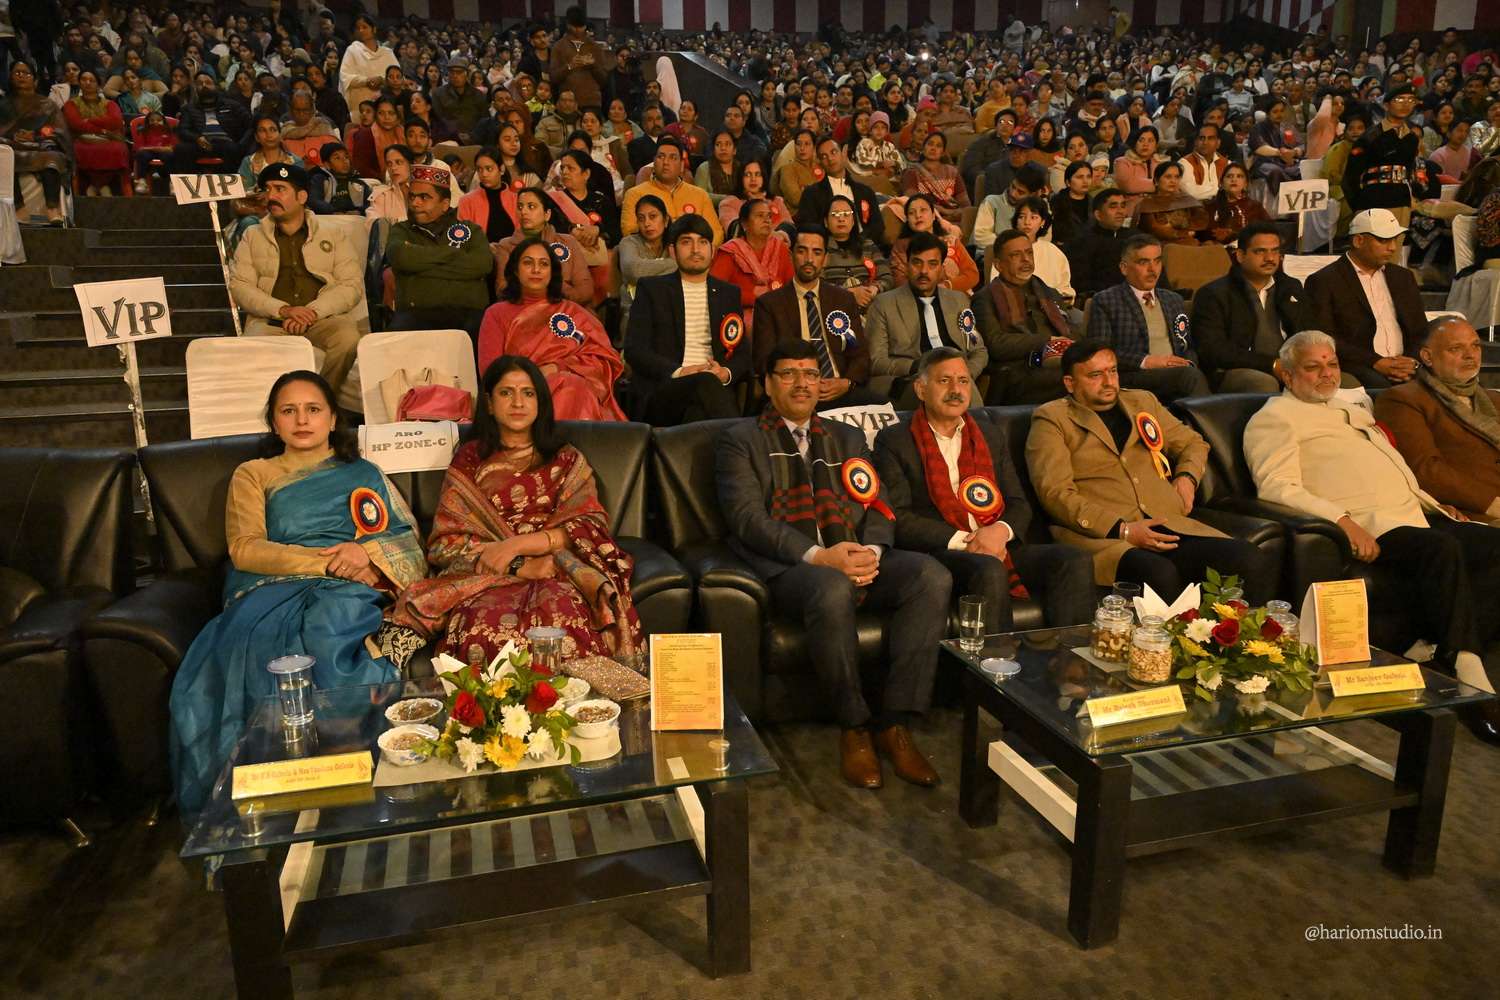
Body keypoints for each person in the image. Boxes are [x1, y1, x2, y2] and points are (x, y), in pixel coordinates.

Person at [169, 370, 427, 814]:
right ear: (274, 421)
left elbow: (406, 541)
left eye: (313, 409)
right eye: (288, 410)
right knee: (255, 643)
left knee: (330, 628)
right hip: (274, 585)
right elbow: (245, 548)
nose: (302, 420)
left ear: (333, 419)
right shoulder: (254, 474)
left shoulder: (363, 473)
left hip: (346, 587)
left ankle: (355, 785)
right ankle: (269, 797)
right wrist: (323, 561)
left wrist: (365, 554)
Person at [715, 340, 951, 789]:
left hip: (854, 552)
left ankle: (895, 722)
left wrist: (872, 552)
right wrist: (821, 557)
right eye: (788, 374)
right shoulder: (739, 440)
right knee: (831, 586)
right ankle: (854, 726)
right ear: (768, 384)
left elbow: (877, 502)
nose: (802, 383)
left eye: (810, 373)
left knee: (930, 576)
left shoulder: (845, 436)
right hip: (791, 567)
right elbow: (747, 519)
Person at [1244, 330, 1500, 743]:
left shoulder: (1349, 410)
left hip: (1415, 515)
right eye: (1313, 367)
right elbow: (1277, 487)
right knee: (1442, 548)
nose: (1326, 374)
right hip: (1371, 524)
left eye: (1332, 364)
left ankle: (1439, 648)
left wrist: (1433, 504)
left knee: (1492, 546)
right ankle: (1471, 679)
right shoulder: (1275, 418)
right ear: (1287, 375)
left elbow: (1390, 470)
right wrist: (1342, 521)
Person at [385, 355, 643, 674]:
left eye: (528, 393)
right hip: (486, 577)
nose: (518, 402)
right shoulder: (470, 461)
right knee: (477, 627)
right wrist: (518, 565)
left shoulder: (565, 459)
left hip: (556, 570)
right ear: (490, 404)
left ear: (540, 402)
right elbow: (446, 543)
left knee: (564, 619)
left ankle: (574, 704)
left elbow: (586, 527)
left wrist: (515, 546)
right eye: (506, 392)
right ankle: (490, 708)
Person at [1026, 339, 1274, 599]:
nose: (1109, 382)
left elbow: (1193, 443)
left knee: (1249, 558)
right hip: (1106, 537)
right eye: (1095, 375)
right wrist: (1123, 529)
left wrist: (1187, 478)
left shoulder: (1142, 402)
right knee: (1158, 573)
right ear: (1070, 383)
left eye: (1113, 371)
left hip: (1168, 523)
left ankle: (1242, 628)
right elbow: (1055, 493)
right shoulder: (1053, 419)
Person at [874, 348, 1094, 630]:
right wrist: (969, 541)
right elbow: (900, 517)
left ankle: (1071, 655)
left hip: (998, 544)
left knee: (1073, 559)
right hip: (942, 551)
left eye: (963, 381)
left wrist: (999, 533)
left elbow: (1018, 502)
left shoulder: (989, 434)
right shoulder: (895, 440)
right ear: (921, 389)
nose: (956, 390)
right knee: (989, 569)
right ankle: (997, 656)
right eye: (944, 381)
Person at [230, 163, 366, 398]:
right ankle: (274, 408)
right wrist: (284, 310)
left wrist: (312, 312)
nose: (271, 196)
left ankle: (323, 399)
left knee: (348, 339)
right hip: (271, 322)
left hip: (321, 318)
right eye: (268, 189)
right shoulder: (252, 236)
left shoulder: (333, 234)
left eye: (280, 189)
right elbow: (240, 287)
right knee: (252, 346)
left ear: (302, 197)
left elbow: (351, 285)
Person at [477, 237, 625, 421]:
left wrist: (557, 367)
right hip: (521, 396)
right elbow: (491, 372)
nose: (536, 270)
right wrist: (536, 377)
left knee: (572, 385)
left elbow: (602, 361)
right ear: (515, 270)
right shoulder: (496, 314)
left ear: (552, 272)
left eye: (544, 264)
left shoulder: (574, 312)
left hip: (578, 393)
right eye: (528, 263)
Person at [1375, 317, 1500, 525]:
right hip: (1474, 511)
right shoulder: (1403, 399)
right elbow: (1427, 470)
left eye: (1475, 346)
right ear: (1427, 357)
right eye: (1456, 348)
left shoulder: (1494, 398)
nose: (1470, 355)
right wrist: (1490, 503)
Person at [624, 213, 747, 425]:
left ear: (713, 250)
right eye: (686, 242)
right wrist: (679, 371)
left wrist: (724, 372)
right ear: (673, 250)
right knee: (704, 384)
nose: (696, 249)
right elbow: (635, 350)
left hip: (713, 391)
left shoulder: (728, 294)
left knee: (698, 412)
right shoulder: (652, 289)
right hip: (665, 388)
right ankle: (739, 437)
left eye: (703, 242)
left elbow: (742, 352)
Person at [751, 223, 879, 408]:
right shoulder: (770, 304)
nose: (809, 259)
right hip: (796, 393)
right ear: (791, 255)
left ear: (825, 259)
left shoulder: (842, 300)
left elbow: (859, 354)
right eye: (802, 251)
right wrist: (802, 383)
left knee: (885, 407)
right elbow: (764, 361)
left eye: (817, 252)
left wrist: (847, 383)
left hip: (839, 390)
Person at [1189, 221, 1317, 393]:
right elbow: (1213, 350)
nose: (1270, 258)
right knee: (1264, 383)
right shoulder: (1214, 294)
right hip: (1236, 370)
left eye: (1275, 251)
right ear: (1240, 256)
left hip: (1290, 365)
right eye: (1260, 251)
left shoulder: (1290, 287)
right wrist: (1272, 364)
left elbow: (1308, 331)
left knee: (1342, 379)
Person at [1305, 208, 1425, 388]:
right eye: (1383, 240)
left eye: (1394, 239)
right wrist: (1375, 361)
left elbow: (1420, 329)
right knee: (1383, 387)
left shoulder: (1403, 277)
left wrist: (1411, 362)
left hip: (1407, 364)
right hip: (1360, 366)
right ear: (1358, 241)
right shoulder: (1325, 280)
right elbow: (1324, 337)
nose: (1392, 248)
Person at [865, 232, 988, 406]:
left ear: (941, 268)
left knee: (958, 384)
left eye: (932, 264)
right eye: (917, 263)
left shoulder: (958, 301)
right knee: (942, 386)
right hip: (908, 379)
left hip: (955, 374)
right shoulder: (883, 304)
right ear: (907, 265)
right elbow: (876, 361)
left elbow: (978, 350)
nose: (924, 271)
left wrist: (964, 374)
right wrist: (918, 367)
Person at [1085, 234, 1209, 400]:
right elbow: (1100, 353)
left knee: (1193, 374)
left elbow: (1188, 346)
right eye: (1143, 262)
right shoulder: (1106, 301)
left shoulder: (1173, 300)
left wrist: (1188, 363)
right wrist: (1147, 361)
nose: (1153, 269)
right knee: (1189, 377)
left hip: (1178, 373)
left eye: (1157, 261)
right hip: (1134, 375)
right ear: (1124, 268)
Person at [385, 163, 494, 340]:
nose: (415, 203)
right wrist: (452, 253)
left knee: (484, 333)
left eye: (424, 197)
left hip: (466, 315)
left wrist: (419, 267)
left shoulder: (470, 230)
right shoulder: (401, 230)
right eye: (412, 196)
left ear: (444, 204)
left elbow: (482, 265)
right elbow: (401, 257)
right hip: (414, 315)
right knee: (393, 339)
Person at [974, 229, 1073, 405]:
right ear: (998, 265)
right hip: (1017, 371)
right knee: (1075, 380)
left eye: (1029, 253)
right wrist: (1047, 341)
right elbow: (996, 344)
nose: (1026, 259)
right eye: (1016, 255)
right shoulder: (986, 298)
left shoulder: (1048, 292)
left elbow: (1069, 330)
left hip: (1058, 362)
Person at [491, 186, 595, 306]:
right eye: (520, 207)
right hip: (523, 309)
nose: (523, 212)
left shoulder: (568, 242)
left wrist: (557, 290)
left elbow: (585, 290)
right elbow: (502, 289)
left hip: (566, 309)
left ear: (547, 214)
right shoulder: (506, 246)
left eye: (531, 206)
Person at [709, 198, 792, 332]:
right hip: (738, 316)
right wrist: (753, 297)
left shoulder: (780, 248)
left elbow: (791, 286)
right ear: (744, 223)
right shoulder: (730, 252)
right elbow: (715, 290)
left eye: (769, 216)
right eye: (760, 216)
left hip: (777, 310)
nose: (767, 220)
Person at [619, 137, 722, 243]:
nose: (666, 162)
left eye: (673, 157)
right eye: (661, 157)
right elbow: (629, 231)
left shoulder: (700, 195)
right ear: (654, 162)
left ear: (682, 165)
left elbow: (716, 232)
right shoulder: (635, 194)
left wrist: (706, 248)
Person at [1346, 84, 1422, 224]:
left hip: (1402, 202)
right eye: (1399, 99)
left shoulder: (1412, 139)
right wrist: (1359, 206)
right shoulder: (1370, 137)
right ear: (1386, 105)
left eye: (1411, 100)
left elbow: (1411, 171)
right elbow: (1350, 178)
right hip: (1372, 202)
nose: (1405, 104)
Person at [796, 134, 885, 248]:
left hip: (864, 247)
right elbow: (807, 227)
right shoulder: (811, 194)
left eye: (833, 152)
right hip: (829, 249)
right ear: (820, 163)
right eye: (824, 156)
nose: (830, 159)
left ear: (843, 153)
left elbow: (878, 226)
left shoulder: (865, 192)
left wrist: (860, 241)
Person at [890, 192, 980, 292]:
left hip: (956, 295)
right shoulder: (901, 246)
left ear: (933, 216)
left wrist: (948, 286)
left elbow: (972, 274)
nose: (918, 215)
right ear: (908, 220)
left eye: (923, 210)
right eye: (911, 213)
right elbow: (899, 281)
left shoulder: (951, 241)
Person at [171, 71, 250, 176]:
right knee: (181, 149)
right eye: (200, 83)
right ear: (195, 88)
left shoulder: (232, 105)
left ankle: (226, 181)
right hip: (200, 144)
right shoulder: (189, 109)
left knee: (234, 149)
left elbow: (250, 124)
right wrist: (197, 138)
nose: (204, 85)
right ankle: (192, 181)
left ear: (215, 86)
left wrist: (240, 144)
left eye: (208, 82)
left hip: (225, 144)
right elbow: (183, 130)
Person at [822, 194, 893, 310]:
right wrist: (848, 294)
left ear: (853, 220)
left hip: (871, 307)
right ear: (826, 221)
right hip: (835, 309)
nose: (841, 219)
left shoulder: (868, 245)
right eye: (835, 215)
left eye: (846, 214)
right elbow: (816, 284)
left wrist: (874, 288)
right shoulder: (820, 248)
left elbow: (886, 277)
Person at [1065, 189, 1137, 300]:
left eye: (1123, 206)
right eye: (1113, 207)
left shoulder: (1135, 237)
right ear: (1098, 215)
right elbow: (1081, 283)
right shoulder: (1082, 242)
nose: (1120, 212)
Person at [549, 6, 614, 111]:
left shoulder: (595, 47)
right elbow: (554, 78)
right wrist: (570, 66)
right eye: (574, 26)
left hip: (591, 102)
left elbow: (604, 80)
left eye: (581, 26)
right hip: (567, 103)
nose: (578, 30)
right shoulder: (558, 47)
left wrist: (593, 65)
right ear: (568, 25)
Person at [900, 130, 969, 226]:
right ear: (923, 148)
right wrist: (939, 212)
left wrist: (945, 211)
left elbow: (966, 206)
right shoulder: (912, 173)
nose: (933, 148)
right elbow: (913, 204)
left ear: (943, 152)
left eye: (938, 146)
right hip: (925, 221)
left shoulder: (953, 172)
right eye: (930, 144)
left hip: (954, 220)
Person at [1133, 161, 1208, 245]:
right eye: (1168, 177)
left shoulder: (1187, 200)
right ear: (1156, 180)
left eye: (1177, 177)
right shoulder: (1147, 204)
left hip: (1189, 241)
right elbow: (1155, 229)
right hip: (1159, 245)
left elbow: (1201, 222)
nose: (1173, 181)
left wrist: (1188, 232)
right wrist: (1182, 233)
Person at [338, 14, 397, 119]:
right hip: (360, 109)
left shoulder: (387, 53)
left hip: (385, 108)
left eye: (364, 27)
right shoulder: (352, 50)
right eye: (358, 28)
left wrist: (382, 80)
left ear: (374, 29)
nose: (361, 30)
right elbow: (345, 77)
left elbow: (398, 77)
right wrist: (366, 81)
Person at [1198, 162, 1271, 245]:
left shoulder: (1255, 207)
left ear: (1246, 184)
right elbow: (1199, 234)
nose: (1234, 180)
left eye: (1239, 176)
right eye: (1229, 176)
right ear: (1221, 183)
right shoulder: (1210, 206)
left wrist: (1234, 235)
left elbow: (1269, 230)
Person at [1250, 97, 1303, 198]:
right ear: (1267, 113)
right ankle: (1281, 200)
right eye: (1275, 111)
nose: (1279, 114)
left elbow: (1301, 145)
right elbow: (1258, 147)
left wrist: (1295, 152)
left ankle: (1300, 199)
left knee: (1305, 168)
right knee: (1275, 171)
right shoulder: (1258, 128)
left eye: (1282, 111)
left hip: (1289, 163)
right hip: (1266, 163)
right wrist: (1280, 153)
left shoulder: (1288, 127)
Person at [430, 58, 487, 143]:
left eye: (459, 72)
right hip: (447, 139)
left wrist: (472, 135)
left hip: (474, 139)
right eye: (452, 72)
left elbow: (484, 120)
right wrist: (455, 134)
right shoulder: (438, 94)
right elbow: (438, 119)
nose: (455, 76)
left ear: (467, 74)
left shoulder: (478, 95)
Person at [348, 94, 404, 179]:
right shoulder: (365, 135)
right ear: (376, 115)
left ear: (398, 116)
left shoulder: (403, 133)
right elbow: (361, 168)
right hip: (375, 183)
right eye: (381, 113)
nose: (386, 117)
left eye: (391, 113)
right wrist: (385, 180)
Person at [1177, 122, 1229, 202]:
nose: (1205, 142)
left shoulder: (1227, 164)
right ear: (1195, 142)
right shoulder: (1184, 163)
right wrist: (1223, 191)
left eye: (1210, 138)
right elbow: (1192, 193)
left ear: (1218, 143)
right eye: (1201, 138)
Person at [1050, 160, 1094, 246]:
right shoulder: (1056, 203)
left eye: (1088, 177)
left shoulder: (1095, 203)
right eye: (1080, 177)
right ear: (1068, 182)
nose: (1085, 181)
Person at [367, 143, 413, 222]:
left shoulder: (423, 190)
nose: (393, 168)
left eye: (399, 162)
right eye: (389, 164)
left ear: (410, 165)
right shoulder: (382, 194)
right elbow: (372, 220)